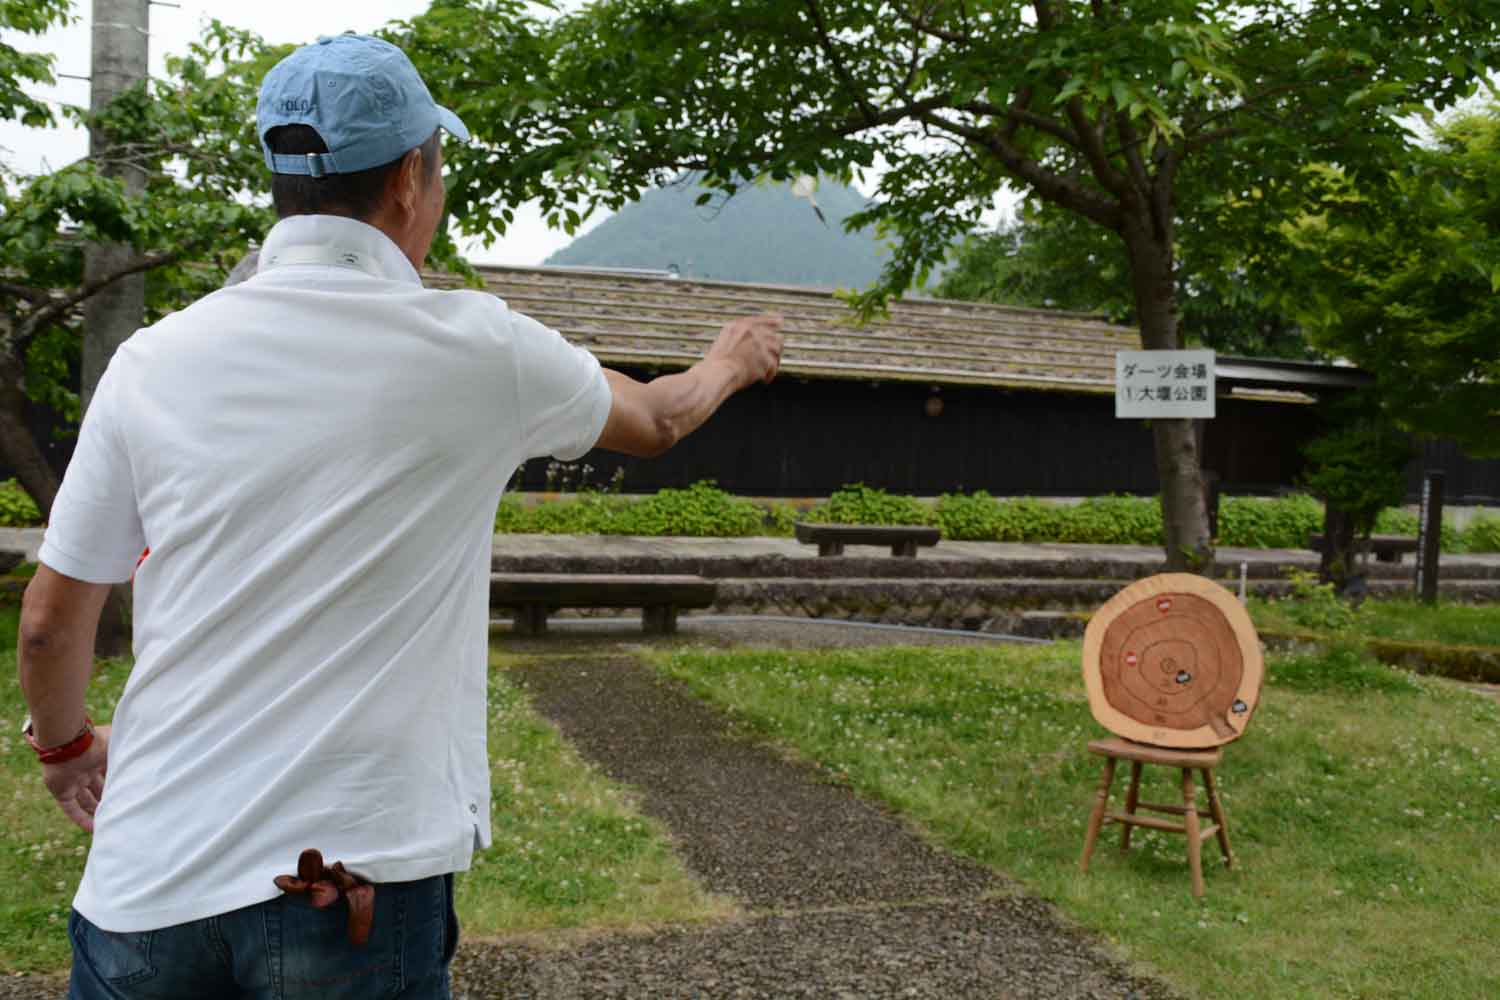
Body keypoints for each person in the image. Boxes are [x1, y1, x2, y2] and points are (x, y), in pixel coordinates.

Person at [18, 33, 782, 1000]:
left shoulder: (152, 362)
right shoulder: (480, 350)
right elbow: (658, 419)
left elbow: (50, 621)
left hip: (145, 886)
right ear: (410, 180)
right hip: (352, 882)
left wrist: (65, 751)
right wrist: (729, 361)